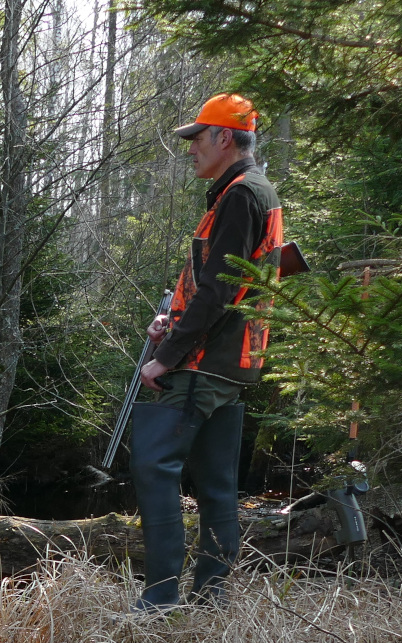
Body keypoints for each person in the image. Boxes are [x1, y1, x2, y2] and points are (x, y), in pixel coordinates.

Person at [131, 94, 285, 610]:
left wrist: (167, 356)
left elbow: (222, 290)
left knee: (154, 465)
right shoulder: (248, 193)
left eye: (197, 137)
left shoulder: (242, 195)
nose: (191, 148)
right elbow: (219, 284)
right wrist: (170, 321)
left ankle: (159, 601)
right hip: (231, 363)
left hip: (205, 364)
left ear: (225, 137)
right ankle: (211, 600)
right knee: (218, 486)